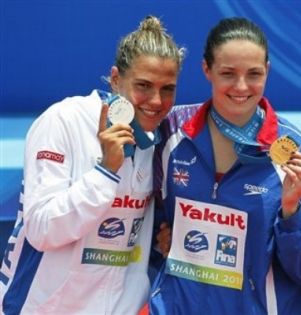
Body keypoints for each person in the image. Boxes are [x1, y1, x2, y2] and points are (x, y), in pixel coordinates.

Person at [0, 15, 184, 314]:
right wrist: (105, 172)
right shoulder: (64, 121)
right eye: (144, 85)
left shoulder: (160, 140)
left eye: (168, 89)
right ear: (115, 78)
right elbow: (43, 230)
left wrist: (164, 242)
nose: (156, 100)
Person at [148, 17, 301, 314]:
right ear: (207, 69)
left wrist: (291, 212)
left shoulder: (297, 153)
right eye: (228, 73)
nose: (241, 87)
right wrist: (160, 239)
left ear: (267, 71)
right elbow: (142, 215)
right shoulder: (171, 132)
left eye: (254, 74)